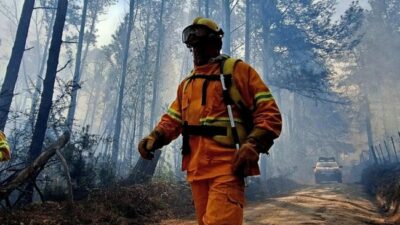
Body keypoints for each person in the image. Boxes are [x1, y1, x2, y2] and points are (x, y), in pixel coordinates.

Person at [138, 17, 282, 225]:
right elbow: (173, 118)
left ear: (216, 44)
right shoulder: (187, 84)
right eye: (193, 47)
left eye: (201, 45)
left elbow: (270, 114)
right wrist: (155, 136)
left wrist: (253, 144)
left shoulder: (237, 72)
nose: (196, 52)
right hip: (196, 172)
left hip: (228, 168)